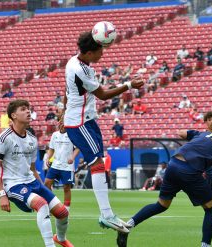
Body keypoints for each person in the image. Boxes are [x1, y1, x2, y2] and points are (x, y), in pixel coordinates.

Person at [61, 31, 144, 233]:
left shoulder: (76, 62)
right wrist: (128, 85)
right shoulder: (81, 70)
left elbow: (66, 92)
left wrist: (62, 114)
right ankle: (106, 215)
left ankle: (107, 214)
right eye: (100, 51)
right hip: (80, 123)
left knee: (98, 161)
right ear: (89, 52)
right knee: (97, 164)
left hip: (85, 120)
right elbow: (104, 95)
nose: (102, 55)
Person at [117, 132, 212, 247]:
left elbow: (182, 132)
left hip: (173, 164)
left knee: (161, 205)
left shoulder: (206, 134)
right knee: (211, 209)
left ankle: (128, 225)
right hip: (189, 170)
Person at [0, 99, 73, 247]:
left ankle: (60, 239)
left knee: (62, 213)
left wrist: (43, 188)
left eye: (28, 109)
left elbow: (33, 169)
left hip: (32, 182)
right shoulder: (4, 138)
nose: (28, 111)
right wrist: (2, 195)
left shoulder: (32, 139)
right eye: (23, 109)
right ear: (14, 115)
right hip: (13, 185)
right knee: (41, 204)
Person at [177, 111, 212, 228]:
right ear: (205, 122)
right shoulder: (200, 135)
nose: (211, 122)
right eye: (209, 120)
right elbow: (181, 133)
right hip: (208, 170)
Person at [44, 125, 80, 212]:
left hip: (67, 166)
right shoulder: (55, 134)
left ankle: (66, 210)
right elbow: (51, 149)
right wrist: (48, 157)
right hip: (55, 164)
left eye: (64, 122)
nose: (62, 124)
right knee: (47, 183)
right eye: (61, 121)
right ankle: (53, 205)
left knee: (66, 187)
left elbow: (78, 148)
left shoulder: (72, 134)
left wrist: (73, 157)